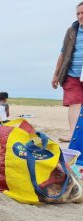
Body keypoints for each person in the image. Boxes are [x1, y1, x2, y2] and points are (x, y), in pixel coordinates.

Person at [52, 2, 83, 143]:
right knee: (74, 104)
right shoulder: (71, 31)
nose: (80, 16)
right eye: (78, 13)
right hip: (71, 74)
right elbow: (63, 54)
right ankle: (73, 135)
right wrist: (56, 74)